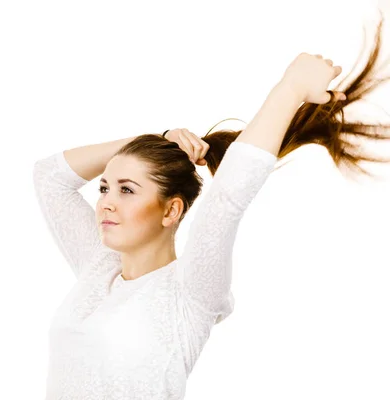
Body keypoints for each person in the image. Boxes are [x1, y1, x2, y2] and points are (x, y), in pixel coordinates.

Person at [32, 16, 390, 400]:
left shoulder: (190, 291)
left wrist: (289, 90)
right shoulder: (98, 266)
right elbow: (49, 176)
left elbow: (227, 200)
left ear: (171, 211)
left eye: (127, 190)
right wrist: (156, 139)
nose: (105, 202)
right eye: (104, 187)